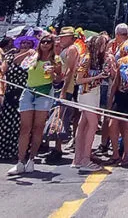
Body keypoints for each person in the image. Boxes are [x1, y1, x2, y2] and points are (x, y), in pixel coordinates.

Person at [9, 32, 59, 176]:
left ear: (52, 45)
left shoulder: (55, 60)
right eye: (43, 41)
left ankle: (32, 159)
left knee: (38, 128)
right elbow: (15, 62)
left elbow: (59, 79)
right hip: (29, 92)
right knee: (25, 128)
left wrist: (54, 73)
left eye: (48, 42)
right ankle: (20, 161)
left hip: (44, 93)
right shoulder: (33, 57)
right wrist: (26, 53)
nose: (45, 44)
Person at [0, 33, 32, 164]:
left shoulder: (32, 58)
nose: (25, 46)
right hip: (11, 92)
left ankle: (17, 151)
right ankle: (0, 150)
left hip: (24, 92)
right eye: (23, 43)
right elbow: (2, 72)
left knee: (20, 123)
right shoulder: (11, 56)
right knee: (5, 121)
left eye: (29, 44)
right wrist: (0, 88)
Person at [72, 34, 109, 173]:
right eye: (101, 45)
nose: (103, 47)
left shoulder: (96, 60)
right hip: (87, 94)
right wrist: (98, 77)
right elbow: (78, 80)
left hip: (92, 93)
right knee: (93, 125)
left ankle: (78, 158)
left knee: (83, 124)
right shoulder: (87, 59)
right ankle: (85, 159)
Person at [47, 27, 80, 164]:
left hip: (65, 87)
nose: (61, 39)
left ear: (71, 38)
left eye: (64, 36)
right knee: (56, 115)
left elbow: (70, 71)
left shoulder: (71, 49)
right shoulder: (64, 50)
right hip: (61, 85)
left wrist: (63, 89)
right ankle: (55, 145)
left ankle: (58, 147)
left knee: (60, 117)